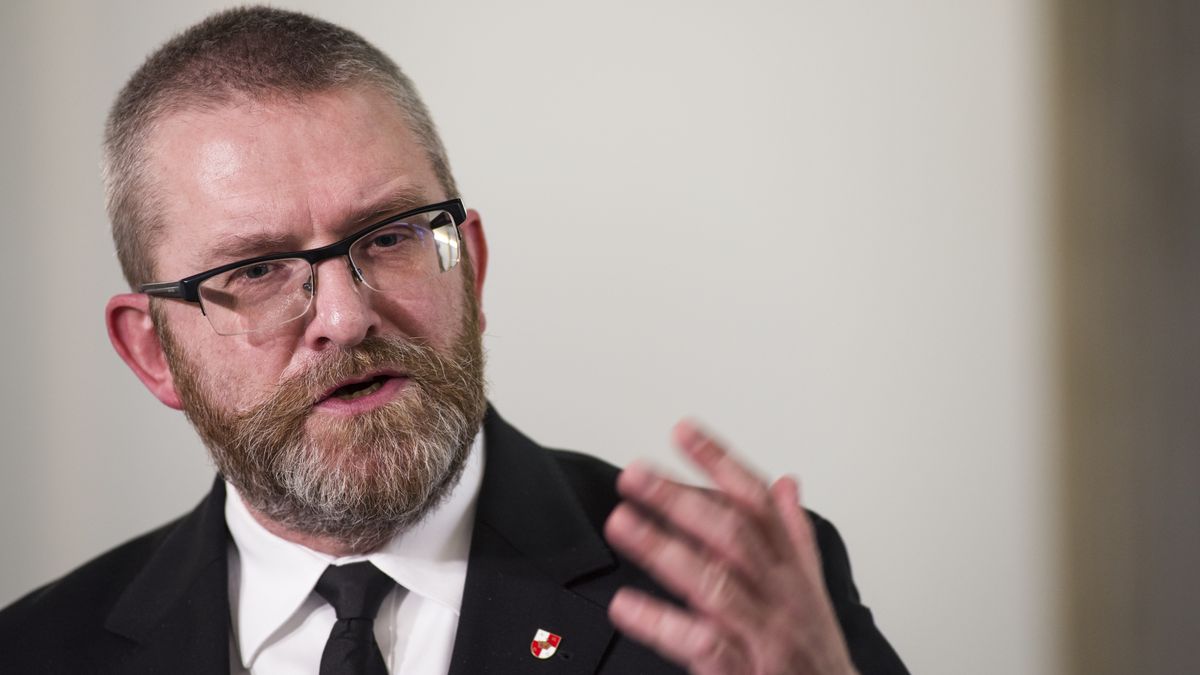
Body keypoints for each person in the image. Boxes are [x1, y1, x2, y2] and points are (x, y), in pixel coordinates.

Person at [0, 7, 907, 674]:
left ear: (467, 265)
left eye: (390, 237)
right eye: (259, 269)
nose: (346, 317)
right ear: (152, 351)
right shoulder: (38, 650)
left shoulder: (739, 606)